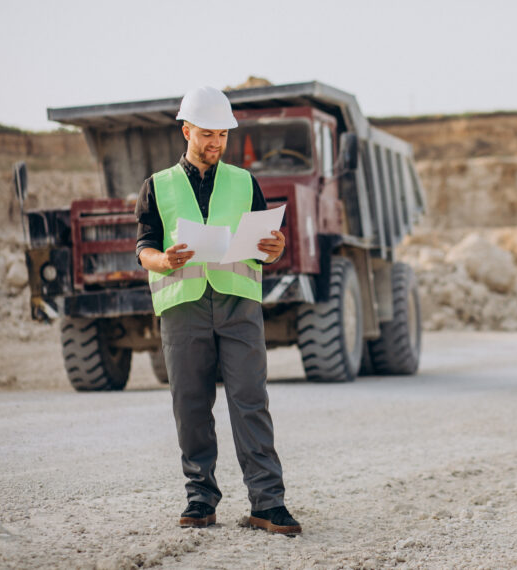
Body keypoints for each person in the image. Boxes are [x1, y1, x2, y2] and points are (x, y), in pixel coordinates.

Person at [134, 86, 301, 535]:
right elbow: (144, 248)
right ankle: (200, 498)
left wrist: (275, 247)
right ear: (186, 130)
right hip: (183, 307)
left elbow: (266, 246)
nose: (216, 143)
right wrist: (163, 260)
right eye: (207, 134)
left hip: (238, 304)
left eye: (222, 135)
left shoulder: (245, 182)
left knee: (250, 401)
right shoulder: (158, 186)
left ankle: (268, 503)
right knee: (190, 405)